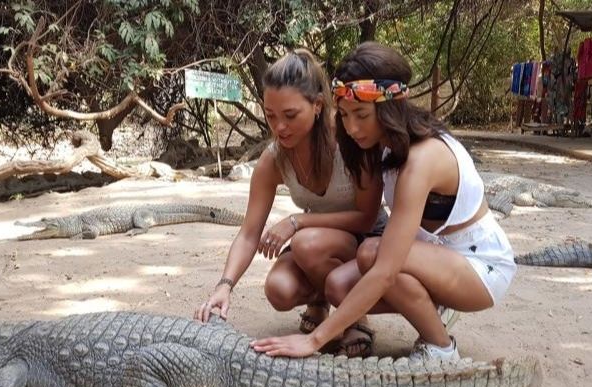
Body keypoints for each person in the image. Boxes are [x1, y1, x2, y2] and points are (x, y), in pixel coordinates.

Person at [251, 42, 517, 363]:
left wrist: (314, 340)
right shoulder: (383, 145)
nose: (351, 128)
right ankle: (432, 306)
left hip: (480, 267)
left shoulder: (422, 159)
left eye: (361, 115)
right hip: (431, 256)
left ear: (391, 106)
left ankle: (441, 348)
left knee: (374, 254)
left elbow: (387, 270)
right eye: (346, 116)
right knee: (337, 284)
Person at [194, 49, 387, 356]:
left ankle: (354, 319)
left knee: (306, 243)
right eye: (271, 116)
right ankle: (319, 299)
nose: (279, 127)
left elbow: (366, 217)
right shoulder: (273, 160)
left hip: (366, 241)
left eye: (290, 115)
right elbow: (248, 233)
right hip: (320, 243)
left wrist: (298, 221)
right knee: (279, 289)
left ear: (318, 106)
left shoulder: (350, 142)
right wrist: (224, 285)